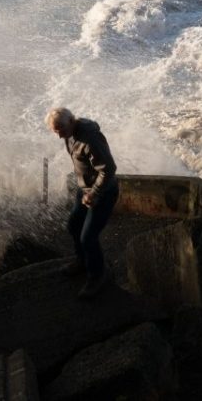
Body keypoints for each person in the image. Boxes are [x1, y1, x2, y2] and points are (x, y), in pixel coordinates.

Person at [46, 107, 120, 298]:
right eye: (55, 131)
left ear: (71, 120)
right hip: (85, 189)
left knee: (88, 237)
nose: (59, 135)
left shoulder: (90, 138)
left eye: (61, 129)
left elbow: (109, 168)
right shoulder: (69, 133)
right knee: (73, 226)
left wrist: (94, 193)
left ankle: (98, 276)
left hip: (103, 192)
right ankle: (82, 261)